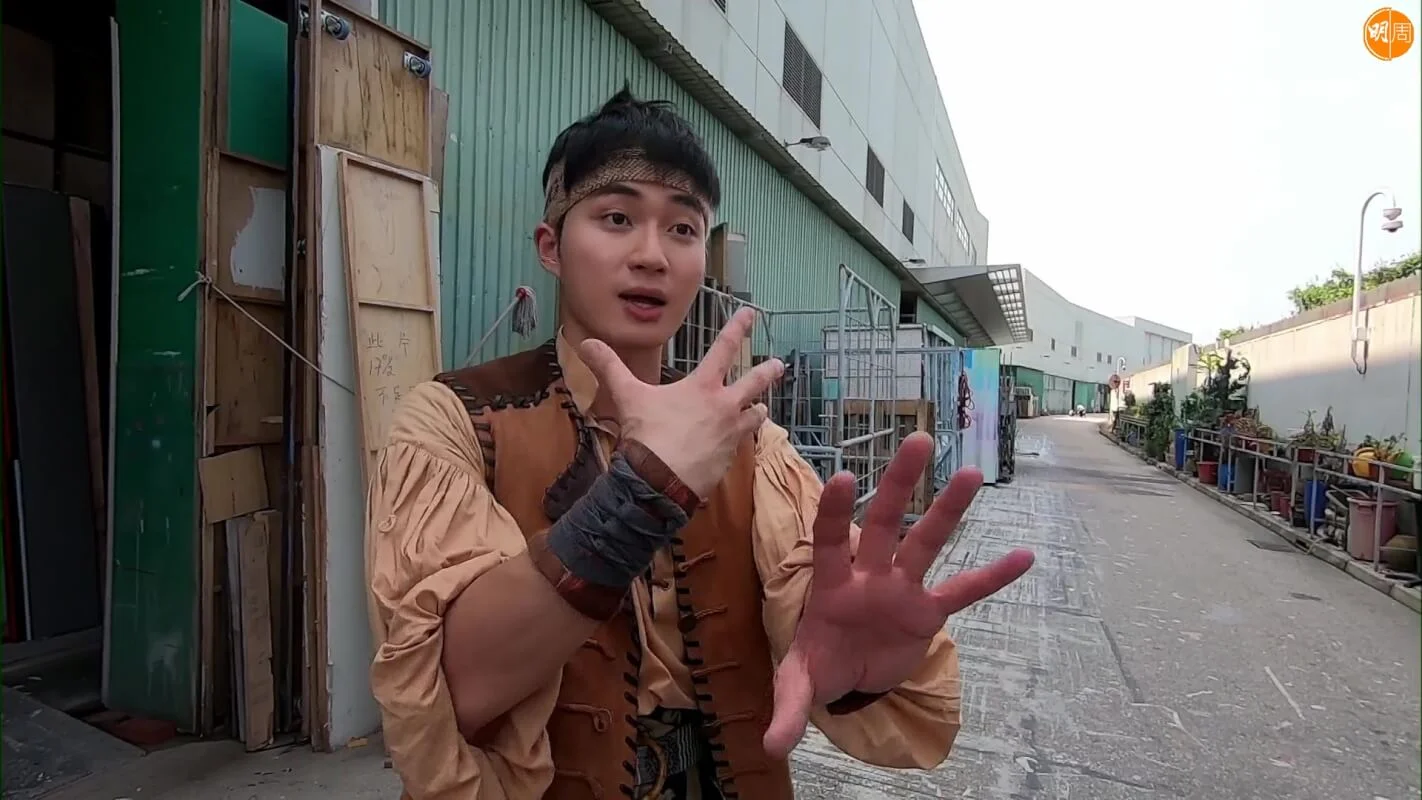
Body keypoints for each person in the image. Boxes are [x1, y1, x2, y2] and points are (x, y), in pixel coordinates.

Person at [365, 86, 1035, 800]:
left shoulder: (753, 442)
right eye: (617, 218)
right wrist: (634, 499)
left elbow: (811, 597)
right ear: (551, 246)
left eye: (683, 229)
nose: (652, 255)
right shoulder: (457, 421)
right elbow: (447, 693)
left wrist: (854, 663)